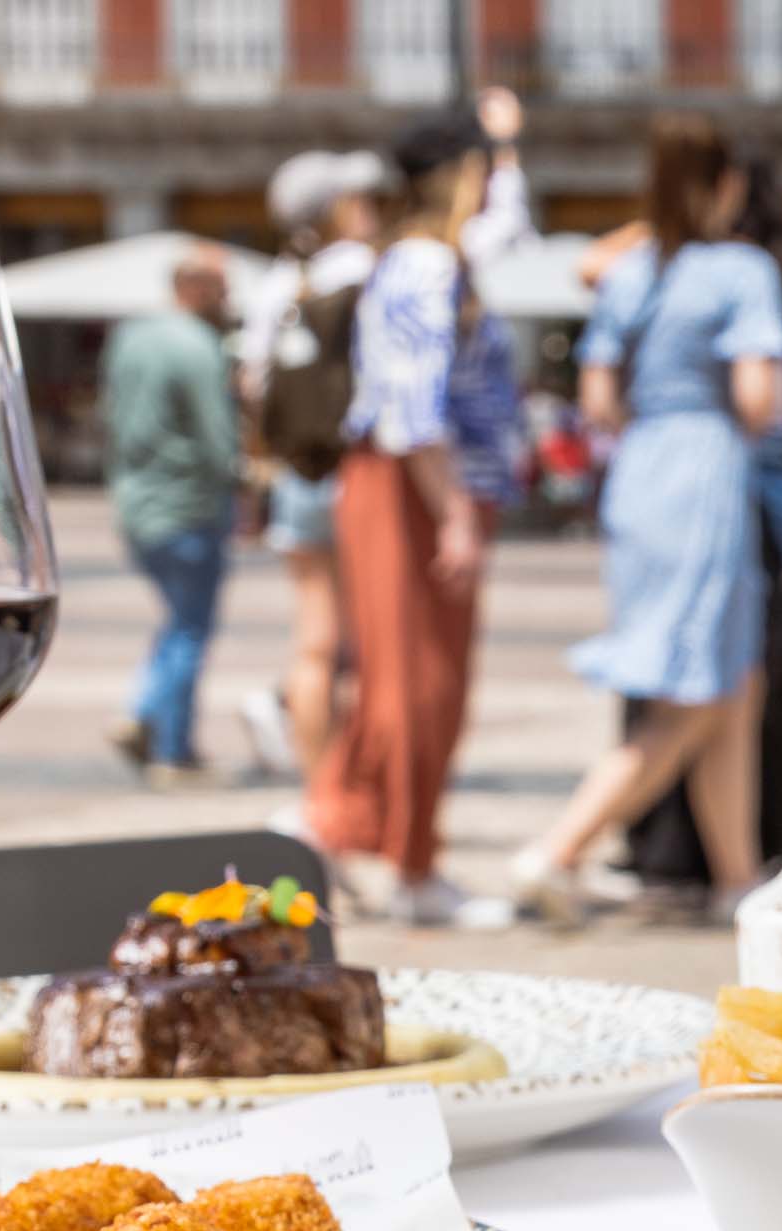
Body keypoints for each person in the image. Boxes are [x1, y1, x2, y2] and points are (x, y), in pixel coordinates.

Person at [509, 115, 782, 922]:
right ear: (725, 183)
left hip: (640, 472)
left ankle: (735, 880)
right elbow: (762, 402)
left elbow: (596, 400)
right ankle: (558, 851)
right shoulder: (741, 269)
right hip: (706, 472)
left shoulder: (629, 270)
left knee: (734, 683)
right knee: (699, 689)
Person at [308, 91, 535, 927]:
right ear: (458, 173)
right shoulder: (424, 266)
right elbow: (412, 411)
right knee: (417, 681)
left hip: (417, 482)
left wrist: (507, 148)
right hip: (416, 486)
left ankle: (371, 838)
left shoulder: (423, 256)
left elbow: (506, 228)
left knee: (415, 677)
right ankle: (405, 861)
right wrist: (456, 514)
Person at [236, 148, 386, 786]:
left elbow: (251, 384)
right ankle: (354, 779)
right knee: (371, 639)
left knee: (315, 639)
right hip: (361, 473)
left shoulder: (278, 283)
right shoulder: (362, 267)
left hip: (302, 474)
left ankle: (318, 778)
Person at [99, 243, 243, 788]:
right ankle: (172, 750)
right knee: (190, 628)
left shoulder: (130, 337)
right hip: (188, 505)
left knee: (178, 621)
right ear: (198, 288)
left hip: (134, 503)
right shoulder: (199, 345)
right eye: (224, 290)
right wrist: (245, 483)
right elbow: (217, 440)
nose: (228, 301)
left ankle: (141, 711)